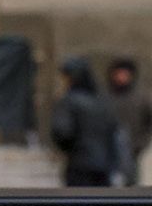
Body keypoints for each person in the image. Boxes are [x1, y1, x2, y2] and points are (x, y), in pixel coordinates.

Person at [51, 56, 127, 187]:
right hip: (104, 167)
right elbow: (115, 132)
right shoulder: (102, 101)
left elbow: (62, 132)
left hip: (80, 166)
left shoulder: (70, 101)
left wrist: (68, 149)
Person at [105, 57, 152, 185]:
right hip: (107, 153)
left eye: (125, 74)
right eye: (118, 74)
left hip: (133, 150)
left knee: (131, 186)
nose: (121, 77)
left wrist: (141, 143)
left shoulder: (141, 98)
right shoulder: (104, 97)